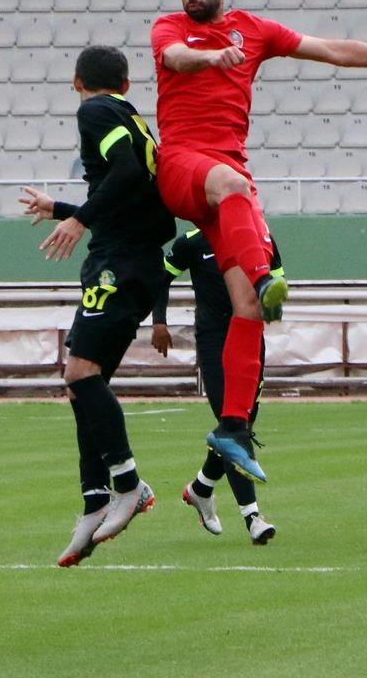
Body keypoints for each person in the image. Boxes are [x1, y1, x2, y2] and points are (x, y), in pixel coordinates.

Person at [151, 0, 367, 483]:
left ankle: (233, 427)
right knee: (235, 189)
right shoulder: (170, 29)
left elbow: (335, 50)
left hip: (226, 178)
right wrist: (210, 57)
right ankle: (270, 276)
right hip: (181, 167)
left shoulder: (256, 30)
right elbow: (174, 58)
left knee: (244, 305)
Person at [19, 45, 176, 567]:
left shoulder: (94, 110)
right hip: (135, 257)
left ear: (76, 81)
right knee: (85, 385)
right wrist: (63, 207)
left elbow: (127, 175)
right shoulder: (133, 117)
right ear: (128, 84)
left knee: (80, 374)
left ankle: (128, 485)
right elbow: (130, 190)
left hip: (118, 262)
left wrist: (79, 219)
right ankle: (93, 500)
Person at [150, 228, 282, 545]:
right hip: (214, 343)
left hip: (250, 339)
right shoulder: (193, 241)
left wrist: (274, 306)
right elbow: (160, 278)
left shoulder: (261, 237)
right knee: (233, 426)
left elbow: (275, 283)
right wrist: (159, 322)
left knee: (240, 425)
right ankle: (252, 517)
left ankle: (201, 487)